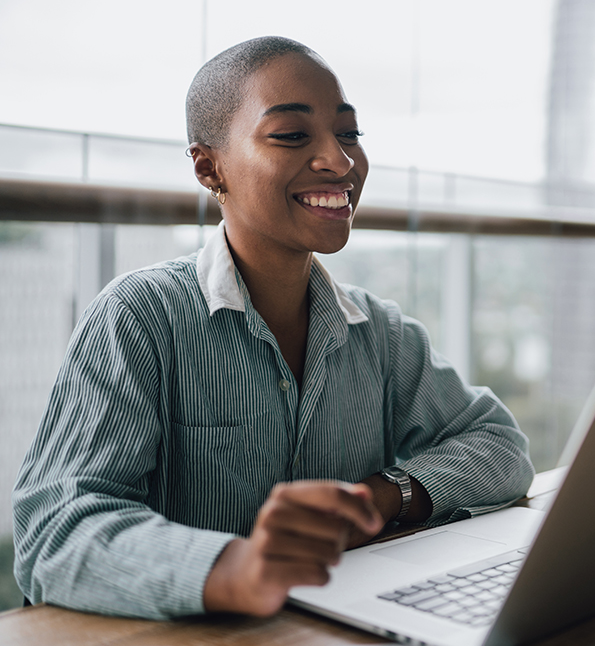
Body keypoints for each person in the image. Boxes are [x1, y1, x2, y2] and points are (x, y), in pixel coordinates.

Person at [13, 36, 534, 620]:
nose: (339, 161)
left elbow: (501, 448)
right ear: (210, 167)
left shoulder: (380, 333)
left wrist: (382, 497)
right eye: (291, 135)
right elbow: (54, 531)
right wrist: (233, 568)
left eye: (349, 134)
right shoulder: (140, 318)